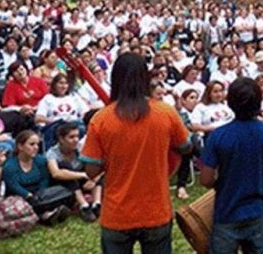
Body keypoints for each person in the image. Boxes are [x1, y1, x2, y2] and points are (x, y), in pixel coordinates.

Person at [81, 52, 191, 253]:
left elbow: (91, 170)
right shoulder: (166, 112)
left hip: (117, 213)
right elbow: (185, 146)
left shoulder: (101, 119)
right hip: (156, 210)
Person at [199, 77, 263, 253]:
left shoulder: (218, 136)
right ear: (259, 102)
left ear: (230, 102)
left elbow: (206, 179)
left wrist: (223, 183)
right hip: (256, 211)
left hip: (226, 212)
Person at [2, 129, 70, 224]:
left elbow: (44, 179)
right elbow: (13, 185)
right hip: (20, 196)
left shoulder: (41, 160)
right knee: (29, 203)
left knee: (61, 191)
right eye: (32, 144)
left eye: (37, 144)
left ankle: (45, 214)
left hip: (39, 195)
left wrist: (41, 193)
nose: (36, 147)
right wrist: (28, 195)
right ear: (20, 146)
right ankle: (45, 215)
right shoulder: (9, 165)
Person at [46, 121, 102, 222]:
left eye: (77, 136)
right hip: (64, 184)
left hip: (84, 182)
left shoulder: (81, 147)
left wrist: (93, 180)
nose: (76, 140)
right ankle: (84, 206)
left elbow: (100, 166)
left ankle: (97, 204)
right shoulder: (52, 152)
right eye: (71, 137)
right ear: (61, 139)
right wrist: (83, 175)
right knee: (65, 166)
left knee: (93, 166)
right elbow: (55, 173)